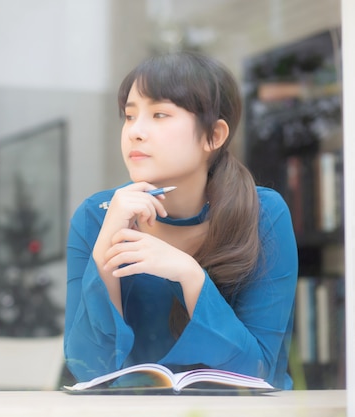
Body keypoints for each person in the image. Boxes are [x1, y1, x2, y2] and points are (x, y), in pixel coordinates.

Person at [63, 51, 298, 390]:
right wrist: (106, 249)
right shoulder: (95, 216)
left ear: (213, 136)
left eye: (159, 114)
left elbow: (257, 370)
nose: (135, 132)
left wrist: (188, 275)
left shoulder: (263, 214)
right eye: (129, 117)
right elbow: (87, 368)